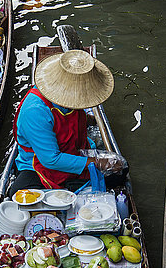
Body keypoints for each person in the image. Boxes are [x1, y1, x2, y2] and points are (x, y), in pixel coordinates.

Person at [10, 49, 123, 196]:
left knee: (120, 173)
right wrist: (96, 162)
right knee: (20, 194)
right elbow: (51, 159)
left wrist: (89, 120)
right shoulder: (35, 111)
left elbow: (74, 118)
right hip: (41, 165)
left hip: (75, 150)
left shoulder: (70, 101)